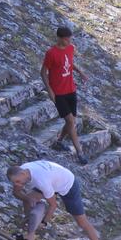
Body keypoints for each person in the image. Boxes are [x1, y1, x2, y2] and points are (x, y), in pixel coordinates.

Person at [8, 160, 107, 240]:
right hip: (52, 180)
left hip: (68, 185)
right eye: (14, 182)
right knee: (28, 199)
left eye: (18, 182)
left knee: (82, 222)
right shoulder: (22, 172)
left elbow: (53, 205)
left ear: (23, 173)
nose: (17, 184)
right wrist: (28, 199)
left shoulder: (41, 181)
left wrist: (44, 222)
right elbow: (16, 193)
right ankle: (29, 236)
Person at [41, 26, 84, 160]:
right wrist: (49, 91)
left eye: (70, 39)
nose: (69, 41)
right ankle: (80, 152)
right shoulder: (51, 53)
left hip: (71, 90)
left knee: (71, 122)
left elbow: (69, 64)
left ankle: (58, 142)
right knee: (71, 121)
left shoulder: (71, 48)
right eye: (66, 39)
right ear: (59, 38)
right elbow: (43, 72)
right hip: (58, 93)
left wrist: (80, 72)